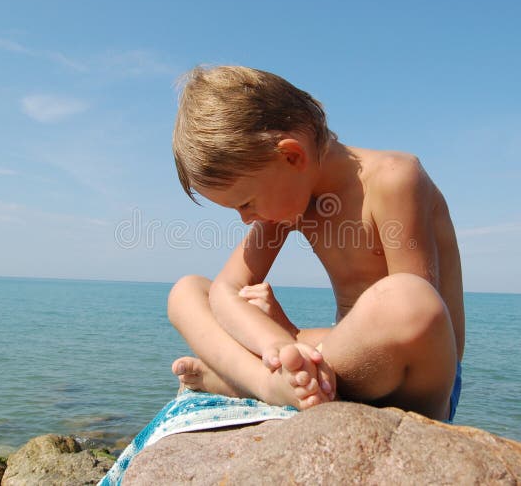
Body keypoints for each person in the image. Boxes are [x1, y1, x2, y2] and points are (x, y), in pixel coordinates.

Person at [167, 65, 464, 422]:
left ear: (291, 156)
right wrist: (273, 344)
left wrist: (293, 334)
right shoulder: (293, 197)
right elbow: (225, 291)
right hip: (340, 367)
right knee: (187, 291)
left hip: (414, 384)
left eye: (246, 203)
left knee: (406, 297)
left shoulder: (393, 179)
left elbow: (420, 322)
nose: (246, 219)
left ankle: (244, 377)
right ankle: (268, 383)